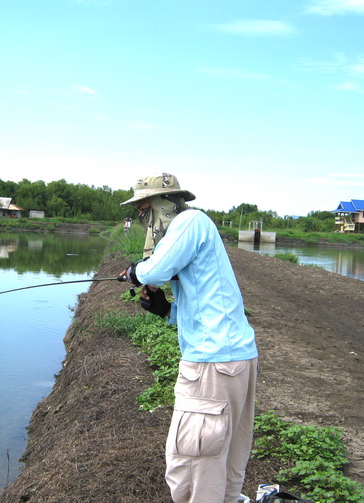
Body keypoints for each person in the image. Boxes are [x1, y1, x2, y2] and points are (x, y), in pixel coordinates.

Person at [119, 172, 258, 503]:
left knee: (191, 471)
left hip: (213, 367)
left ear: (161, 204)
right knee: (221, 469)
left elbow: (153, 270)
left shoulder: (190, 222)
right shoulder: (196, 229)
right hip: (232, 360)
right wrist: (167, 311)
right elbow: (208, 305)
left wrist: (133, 272)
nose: (142, 218)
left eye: (142, 209)